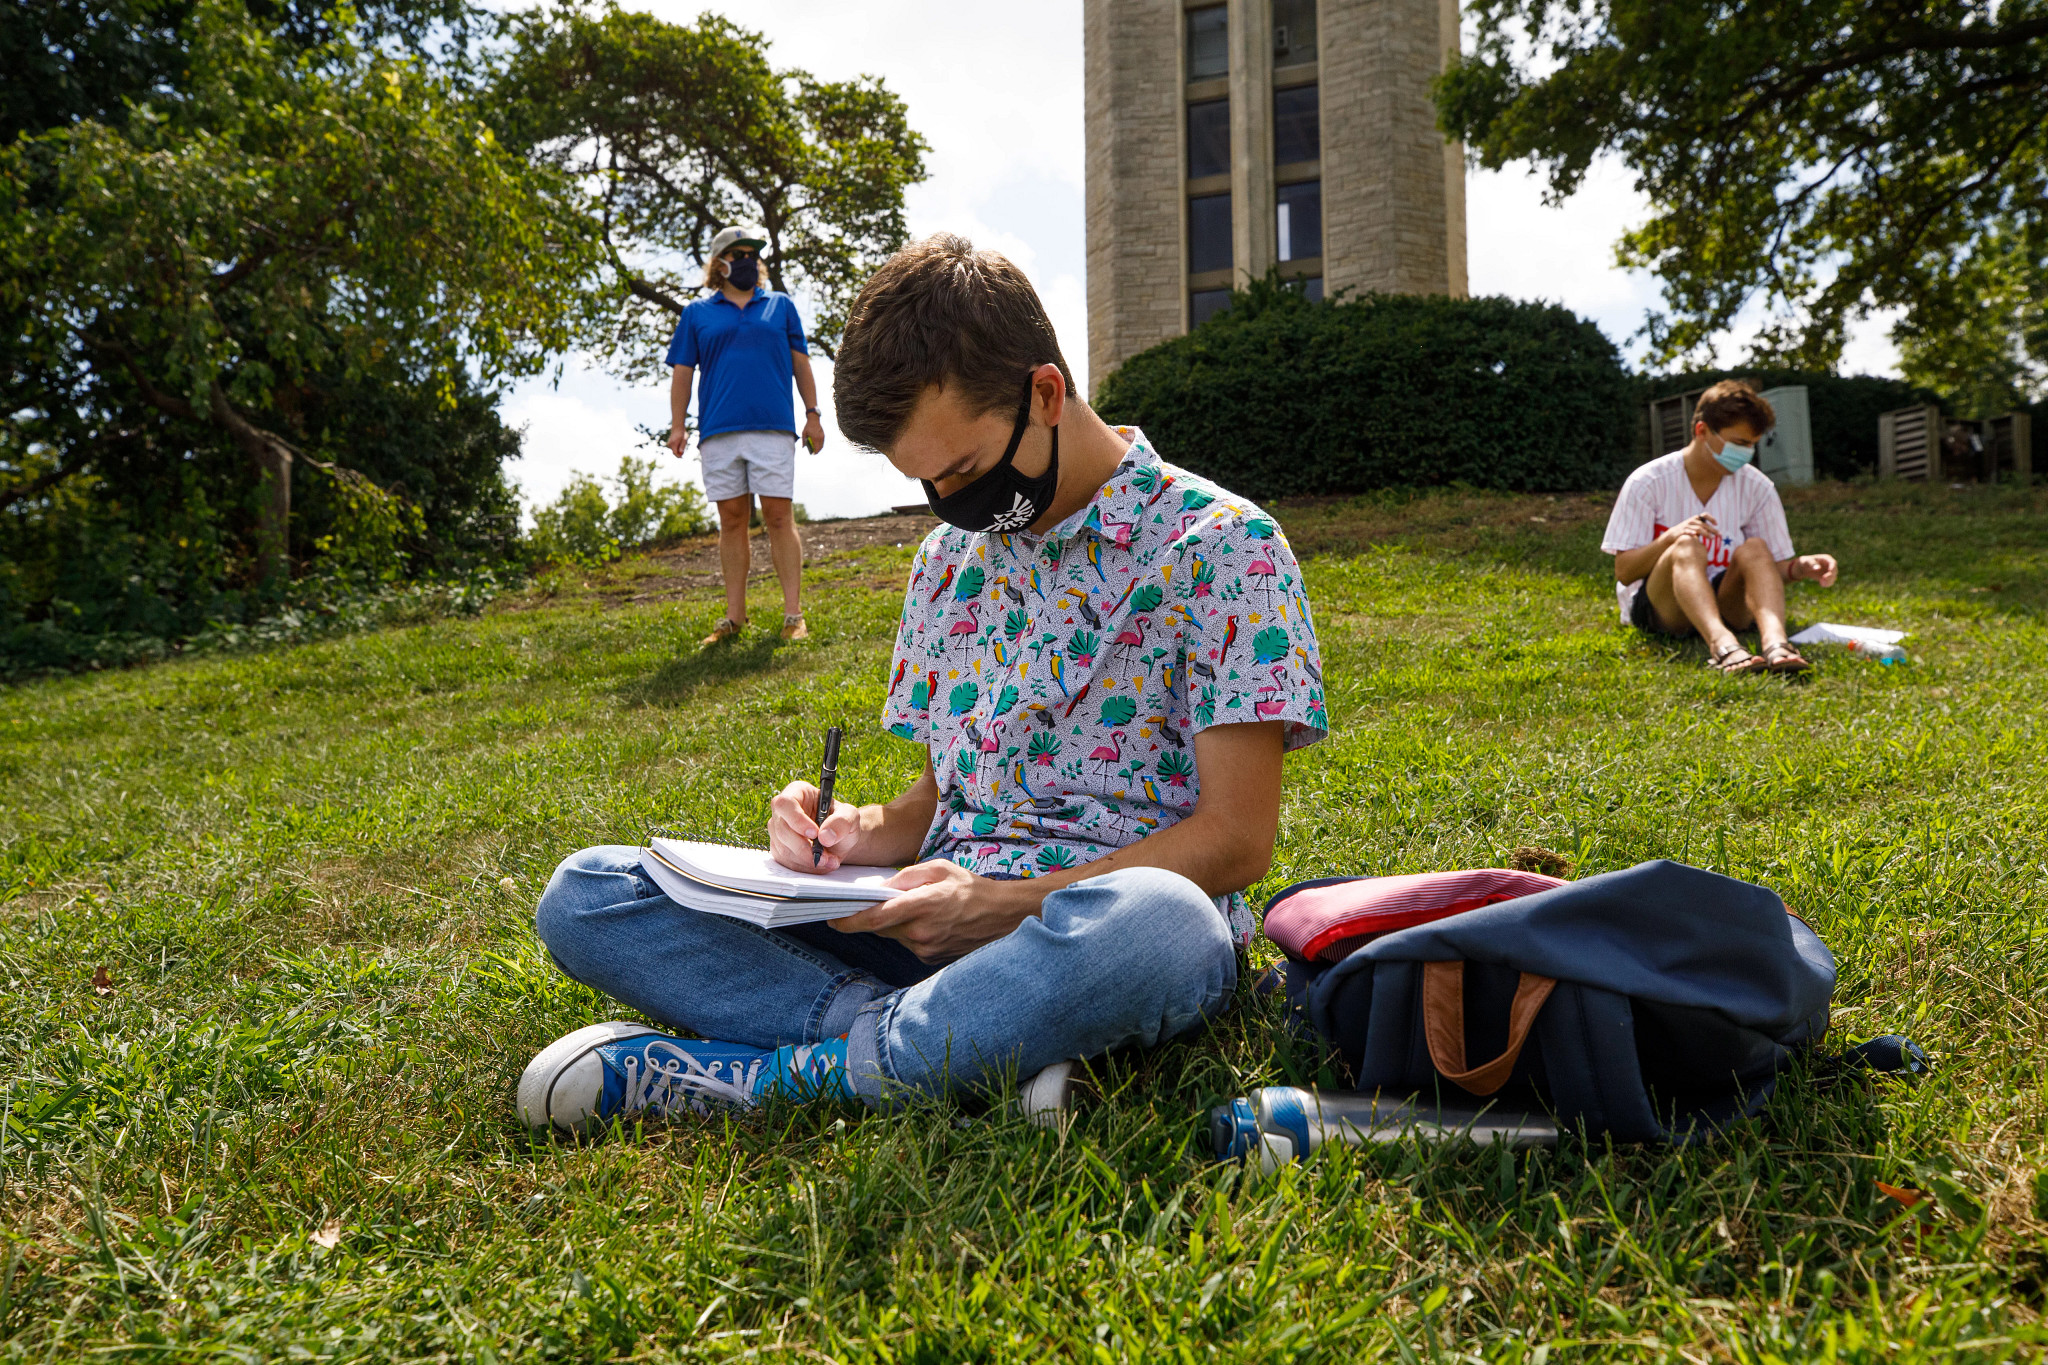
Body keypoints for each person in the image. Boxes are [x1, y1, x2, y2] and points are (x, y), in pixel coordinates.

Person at [519, 233, 1329, 1128]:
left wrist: (1001, 908)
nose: (954, 508)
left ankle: (784, 1081)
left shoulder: (1224, 547)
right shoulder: (948, 562)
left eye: (966, 473)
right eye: (927, 484)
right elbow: (936, 804)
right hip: (925, 930)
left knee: (1164, 924)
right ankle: (937, 1046)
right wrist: (844, 834)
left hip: (1092, 938)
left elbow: (1238, 840)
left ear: (1046, 393)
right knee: (591, 892)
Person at [1601, 380, 1840, 674]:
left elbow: (1765, 572)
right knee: (1686, 546)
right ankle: (1722, 645)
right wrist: (1671, 537)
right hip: (1662, 607)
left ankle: (1777, 645)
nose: (1747, 453)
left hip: (1724, 600)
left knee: (1755, 548)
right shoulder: (1648, 481)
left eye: (1752, 444)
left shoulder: (1757, 487)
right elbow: (1624, 571)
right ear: (1702, 431)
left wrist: (1799, 568)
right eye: (1739, 443)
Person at [666, 223, 828, 644]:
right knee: (732, 522)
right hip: (718, 431)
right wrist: (678, 424)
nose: (747, 261)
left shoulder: (781, 306)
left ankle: (794, 616)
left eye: (752, 254)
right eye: (738, 255)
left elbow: (802, 364)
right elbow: (683, 374)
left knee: (779, 517)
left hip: (773, 429)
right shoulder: (697, 314)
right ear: (719, 264)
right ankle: (734, 618)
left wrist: (812, 415)